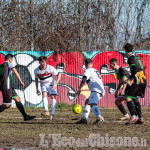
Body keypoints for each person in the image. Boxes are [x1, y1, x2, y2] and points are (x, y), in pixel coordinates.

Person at [0, 54, 36, 121]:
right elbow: (15, 72)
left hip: (7, 86)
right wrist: (21, 81)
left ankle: (25, 116)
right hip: (7, 86)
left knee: (17, 99)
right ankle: (25, 116)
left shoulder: (1, 66)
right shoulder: (9, 64)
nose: (12, 61)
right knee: (7, 105)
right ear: (10, 59)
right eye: (12, 60)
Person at [76, 59, 105, 124]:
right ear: (91, 64)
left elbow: (84, 79)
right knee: (87, 102)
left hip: (96, 90)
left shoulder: (87, 70)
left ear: (85, 65)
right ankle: (84, 119)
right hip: (100, 89)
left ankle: (100, 118)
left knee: (93, 104)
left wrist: (79, 88)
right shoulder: (95, 70)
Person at [124, 43, 147, 124]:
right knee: (134, 97)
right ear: (132, 49)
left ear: (125, 50)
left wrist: (130, 78)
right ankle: (140, 118)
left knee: (127, 97)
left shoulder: (130, 58)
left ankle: (133, 116)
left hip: (138, 81)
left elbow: (134, 69)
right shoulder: (137, 57)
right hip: (143, 80)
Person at [34, 56, 61, 120]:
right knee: (44, 94)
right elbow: (36, 79)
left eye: (44, 62)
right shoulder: (36, 71)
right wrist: (37, 89)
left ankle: (52, 114)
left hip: (51, 84)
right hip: (43, 84)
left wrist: (56, 83)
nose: (43, 64)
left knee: (52, 96)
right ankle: (46, 111)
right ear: (39, 62)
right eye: (42, 62)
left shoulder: (50, 68)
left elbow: (59, 74)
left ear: (46, 62)